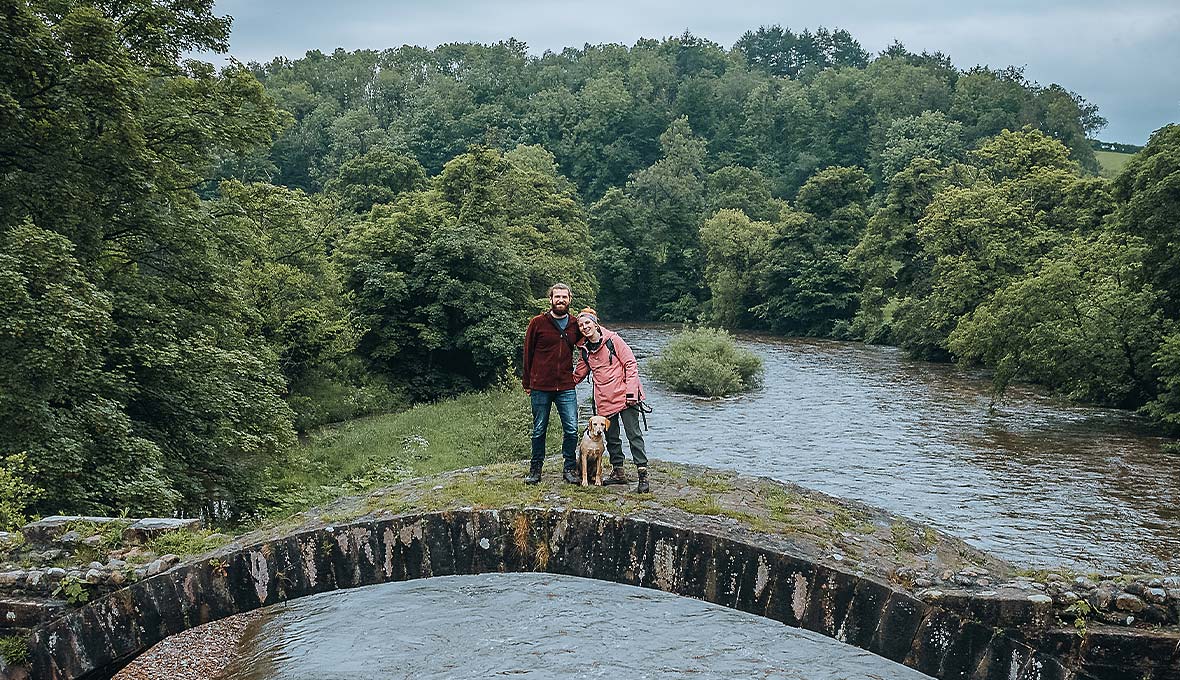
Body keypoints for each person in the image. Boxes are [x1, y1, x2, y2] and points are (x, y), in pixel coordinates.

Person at [572, 308, 650, 493]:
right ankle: (618, 472)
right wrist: (555, 384)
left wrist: (631, 391)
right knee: (612, 438)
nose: (584, 327)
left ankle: (643, 474)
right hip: (605, 399)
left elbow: (630, 363)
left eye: (587, 323)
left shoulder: (613, 340)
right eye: (581, 325)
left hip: (625, 396)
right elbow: (578, 375)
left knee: (634, 435)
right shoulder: (584, 350)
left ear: (595, 323)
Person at [521, 283, 583, 485]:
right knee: (539, 429)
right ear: (550, 299)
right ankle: (536, 468)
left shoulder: (575, 325)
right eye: (557, 297)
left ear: (570, 299)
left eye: (564, 297)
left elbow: (590, 345)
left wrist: (579, 374)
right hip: (540, 386)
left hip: (566, 385)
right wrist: (527, 382)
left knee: (572, 429)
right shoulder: (537, 323)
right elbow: (527, 353)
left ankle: (569, 468)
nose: (560, 300)